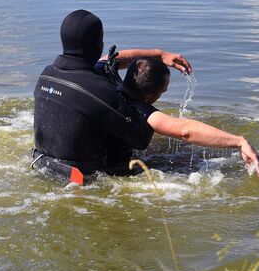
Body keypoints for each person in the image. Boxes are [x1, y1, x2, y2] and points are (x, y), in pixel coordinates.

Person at [31, 9, 191, 183]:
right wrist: (137, 103)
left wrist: (159, 55)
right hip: (82, 182)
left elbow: (109, 60)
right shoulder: (97, 88)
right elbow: (140, 137)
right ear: (97, 44)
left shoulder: (47, 74)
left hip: (40, 164)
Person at [118, 57, 259, 176]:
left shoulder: (104, 77)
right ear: (149, 97)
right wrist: (239, 142)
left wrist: (160, 54)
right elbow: (185, 130)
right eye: (162, 92)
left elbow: (120, 55)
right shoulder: (141, 111)